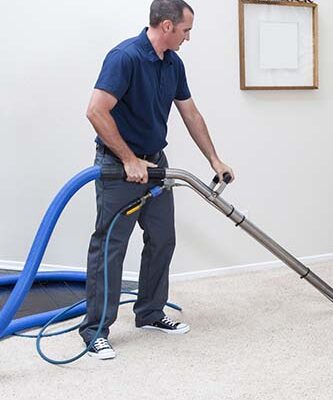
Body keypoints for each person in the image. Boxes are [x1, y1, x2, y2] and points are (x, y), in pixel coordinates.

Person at [80, 0, 233, 360]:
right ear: (166, 26)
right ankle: (94, 331)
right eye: (186, 30)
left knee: (163, 238)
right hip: (120, 167)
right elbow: (95, 110)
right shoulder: (125, 57)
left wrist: (214, 158)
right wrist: (128, 159)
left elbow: (190, 113)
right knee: (110, 247)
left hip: (156, 165)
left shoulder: (173, 64)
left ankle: (149, 312)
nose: (188, 38)